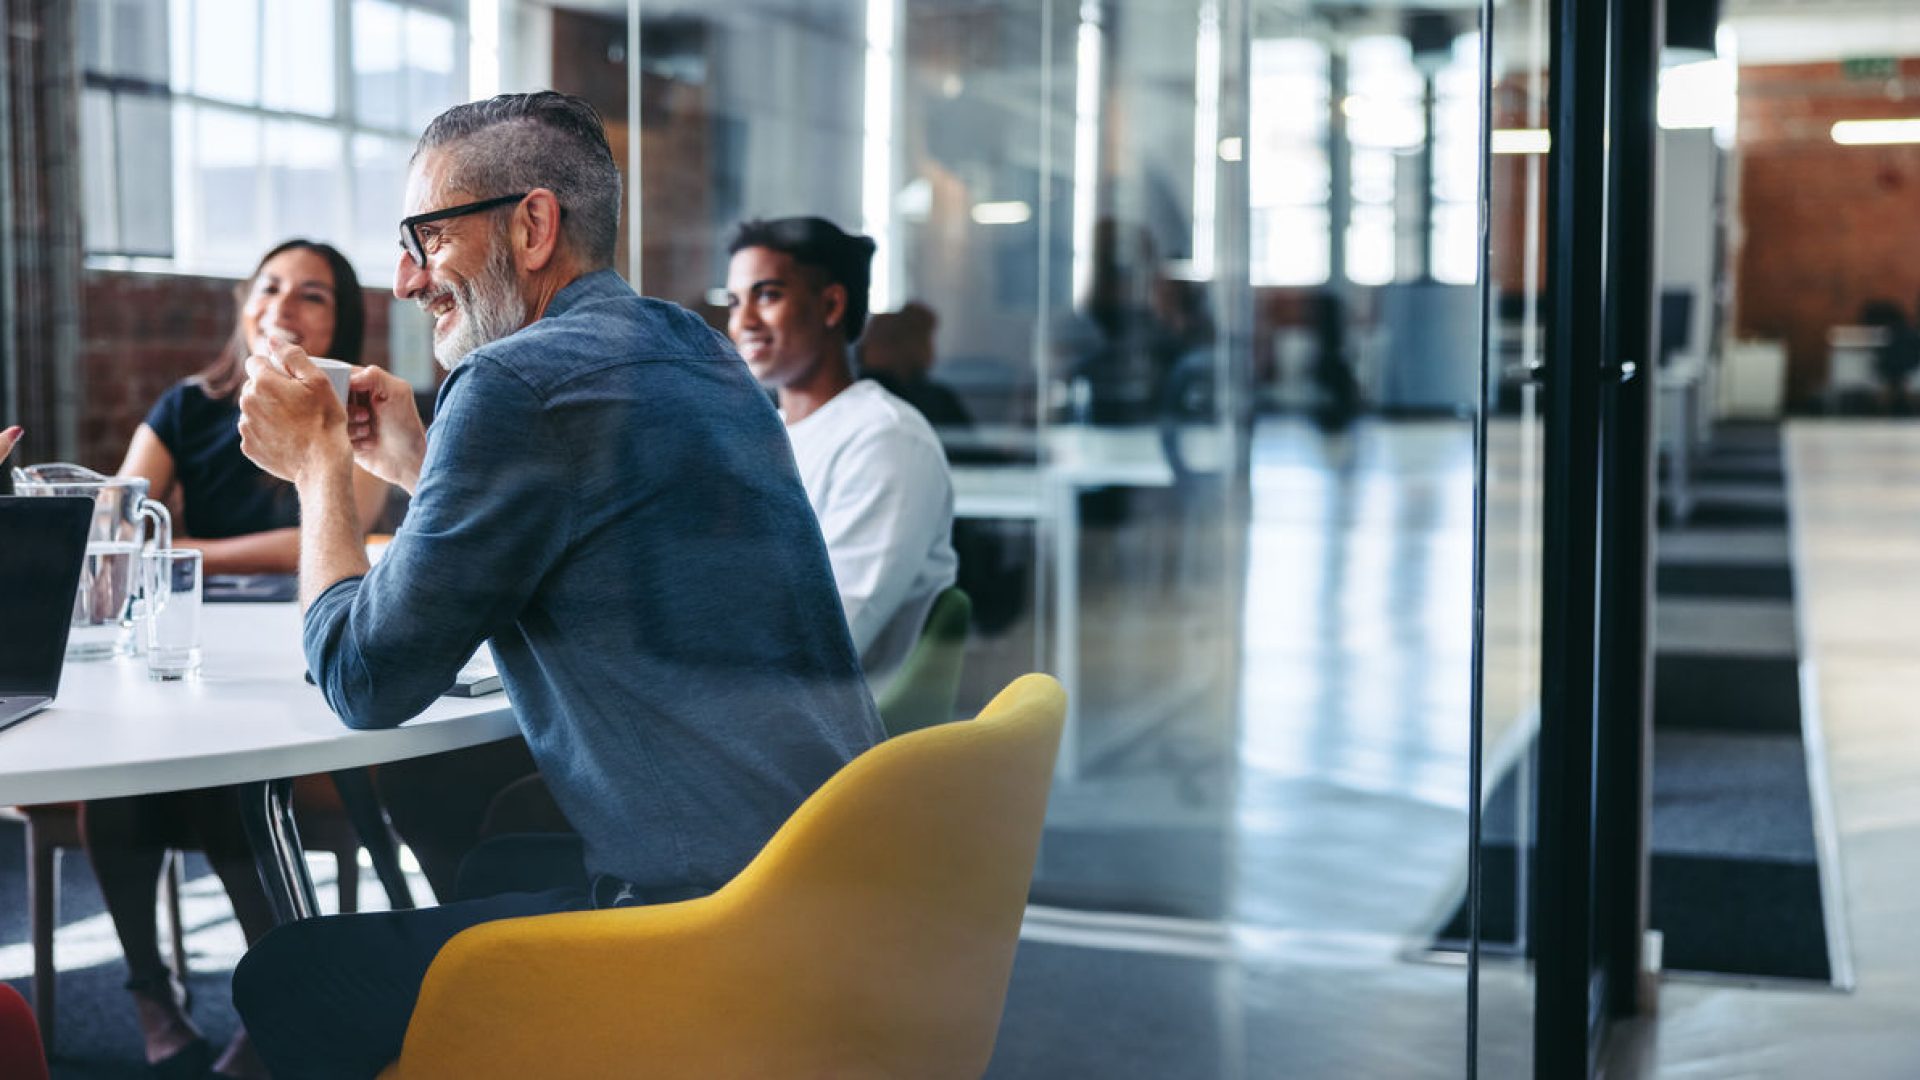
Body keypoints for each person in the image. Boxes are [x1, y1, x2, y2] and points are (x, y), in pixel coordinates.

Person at [229, 91, 879, 1079]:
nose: (405, 279)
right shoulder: (692, 346)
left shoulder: (512, 387)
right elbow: (591, 534)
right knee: (497, 860)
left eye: (425, 236)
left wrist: (322, 465)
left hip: (712, 924)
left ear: (532, 225)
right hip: (830, 883)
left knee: (287, 976)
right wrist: (421, 463)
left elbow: (365, 682)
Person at [81, 239, 390, 1080]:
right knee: (119, 775)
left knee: (227, 768)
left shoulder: (353, 407)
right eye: (271, 286)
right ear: (245, 305)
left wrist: (191, 552)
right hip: (192, 645)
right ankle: (151, 993)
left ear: (344, 320)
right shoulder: (188, 407)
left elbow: (333, 531)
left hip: (299, 645)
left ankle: (273, 1001)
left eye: (314, 295)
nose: (286, 303)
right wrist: (155, 544)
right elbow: (116, 523)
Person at [725, 216, 958, 689]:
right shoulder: (770, 435)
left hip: (826, 731)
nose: (743, 322)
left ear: (831, 304)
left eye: (767, 295)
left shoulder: (885, 440)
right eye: (734, 301)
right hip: (755, 698)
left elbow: (827, 638)